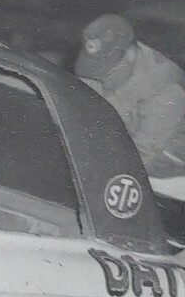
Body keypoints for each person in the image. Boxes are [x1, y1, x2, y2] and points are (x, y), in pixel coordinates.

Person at [75, 13, 185, 177]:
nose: (102, 78)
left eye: (108, 70)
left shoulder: (165, 91)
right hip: (118, 147)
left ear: (131, 54)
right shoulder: (109, 68)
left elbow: (141, 159)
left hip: (162, 171)